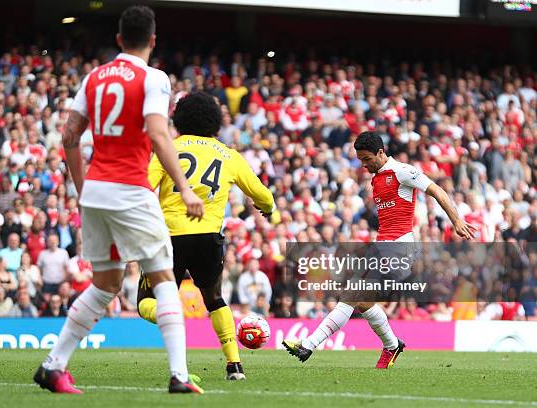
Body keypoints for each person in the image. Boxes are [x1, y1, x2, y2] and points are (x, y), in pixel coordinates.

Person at [34, 5, 205, 395]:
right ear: (153, 40)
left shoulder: (94, 77)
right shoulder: (153, 78)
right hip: (130, 188)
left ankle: (53, 365)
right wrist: (184, 187)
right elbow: (159, 135)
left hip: (95, 190)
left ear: (118, 40)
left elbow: (69, 136)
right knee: (164, 276)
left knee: (106, 283)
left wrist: (82, 188)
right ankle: (179, 375)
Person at [283, 131, 476, 368]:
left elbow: (437, 190)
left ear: (381, 153)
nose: (364, 165)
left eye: (366, 159)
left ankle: (308, 345)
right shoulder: (376, 177)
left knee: (352, 294)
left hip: (400, 247)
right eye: (361, 160)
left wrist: (455, 221)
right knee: (362, 302)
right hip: (382, 245)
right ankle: (392, 344)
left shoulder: (402, 171)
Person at [137, 91, 274, 380]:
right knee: (215, 300)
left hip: (169, 237)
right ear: (214, 121)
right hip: (208, 238)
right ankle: (234, 365)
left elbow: (144, 186)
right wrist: (267, 208)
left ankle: (171, 315)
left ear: (179, 119)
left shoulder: (167, 149)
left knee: (145, 302)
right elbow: (261, 194)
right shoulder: (229, 155)